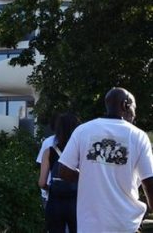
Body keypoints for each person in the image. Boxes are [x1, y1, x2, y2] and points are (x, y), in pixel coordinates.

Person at [58, 87, 153, 233]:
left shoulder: (83, 130)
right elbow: (149, 183)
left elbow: (63, 171)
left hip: (89, 226)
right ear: (125, 105)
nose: (135, 114)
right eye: (134, 108)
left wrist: (89, 176)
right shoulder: (138, 136)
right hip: (125, 225)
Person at [38, 113, 80, 232]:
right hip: (76, 202)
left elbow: (41, 183)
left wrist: (50, 188)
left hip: (55, 201)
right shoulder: (81, 151)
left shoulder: (49, 151)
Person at [36, 113, 58, 207]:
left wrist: (46, 187)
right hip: (72, 193)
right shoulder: (75, 142)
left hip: (49, 192)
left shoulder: (48, 142)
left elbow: (41, 165)